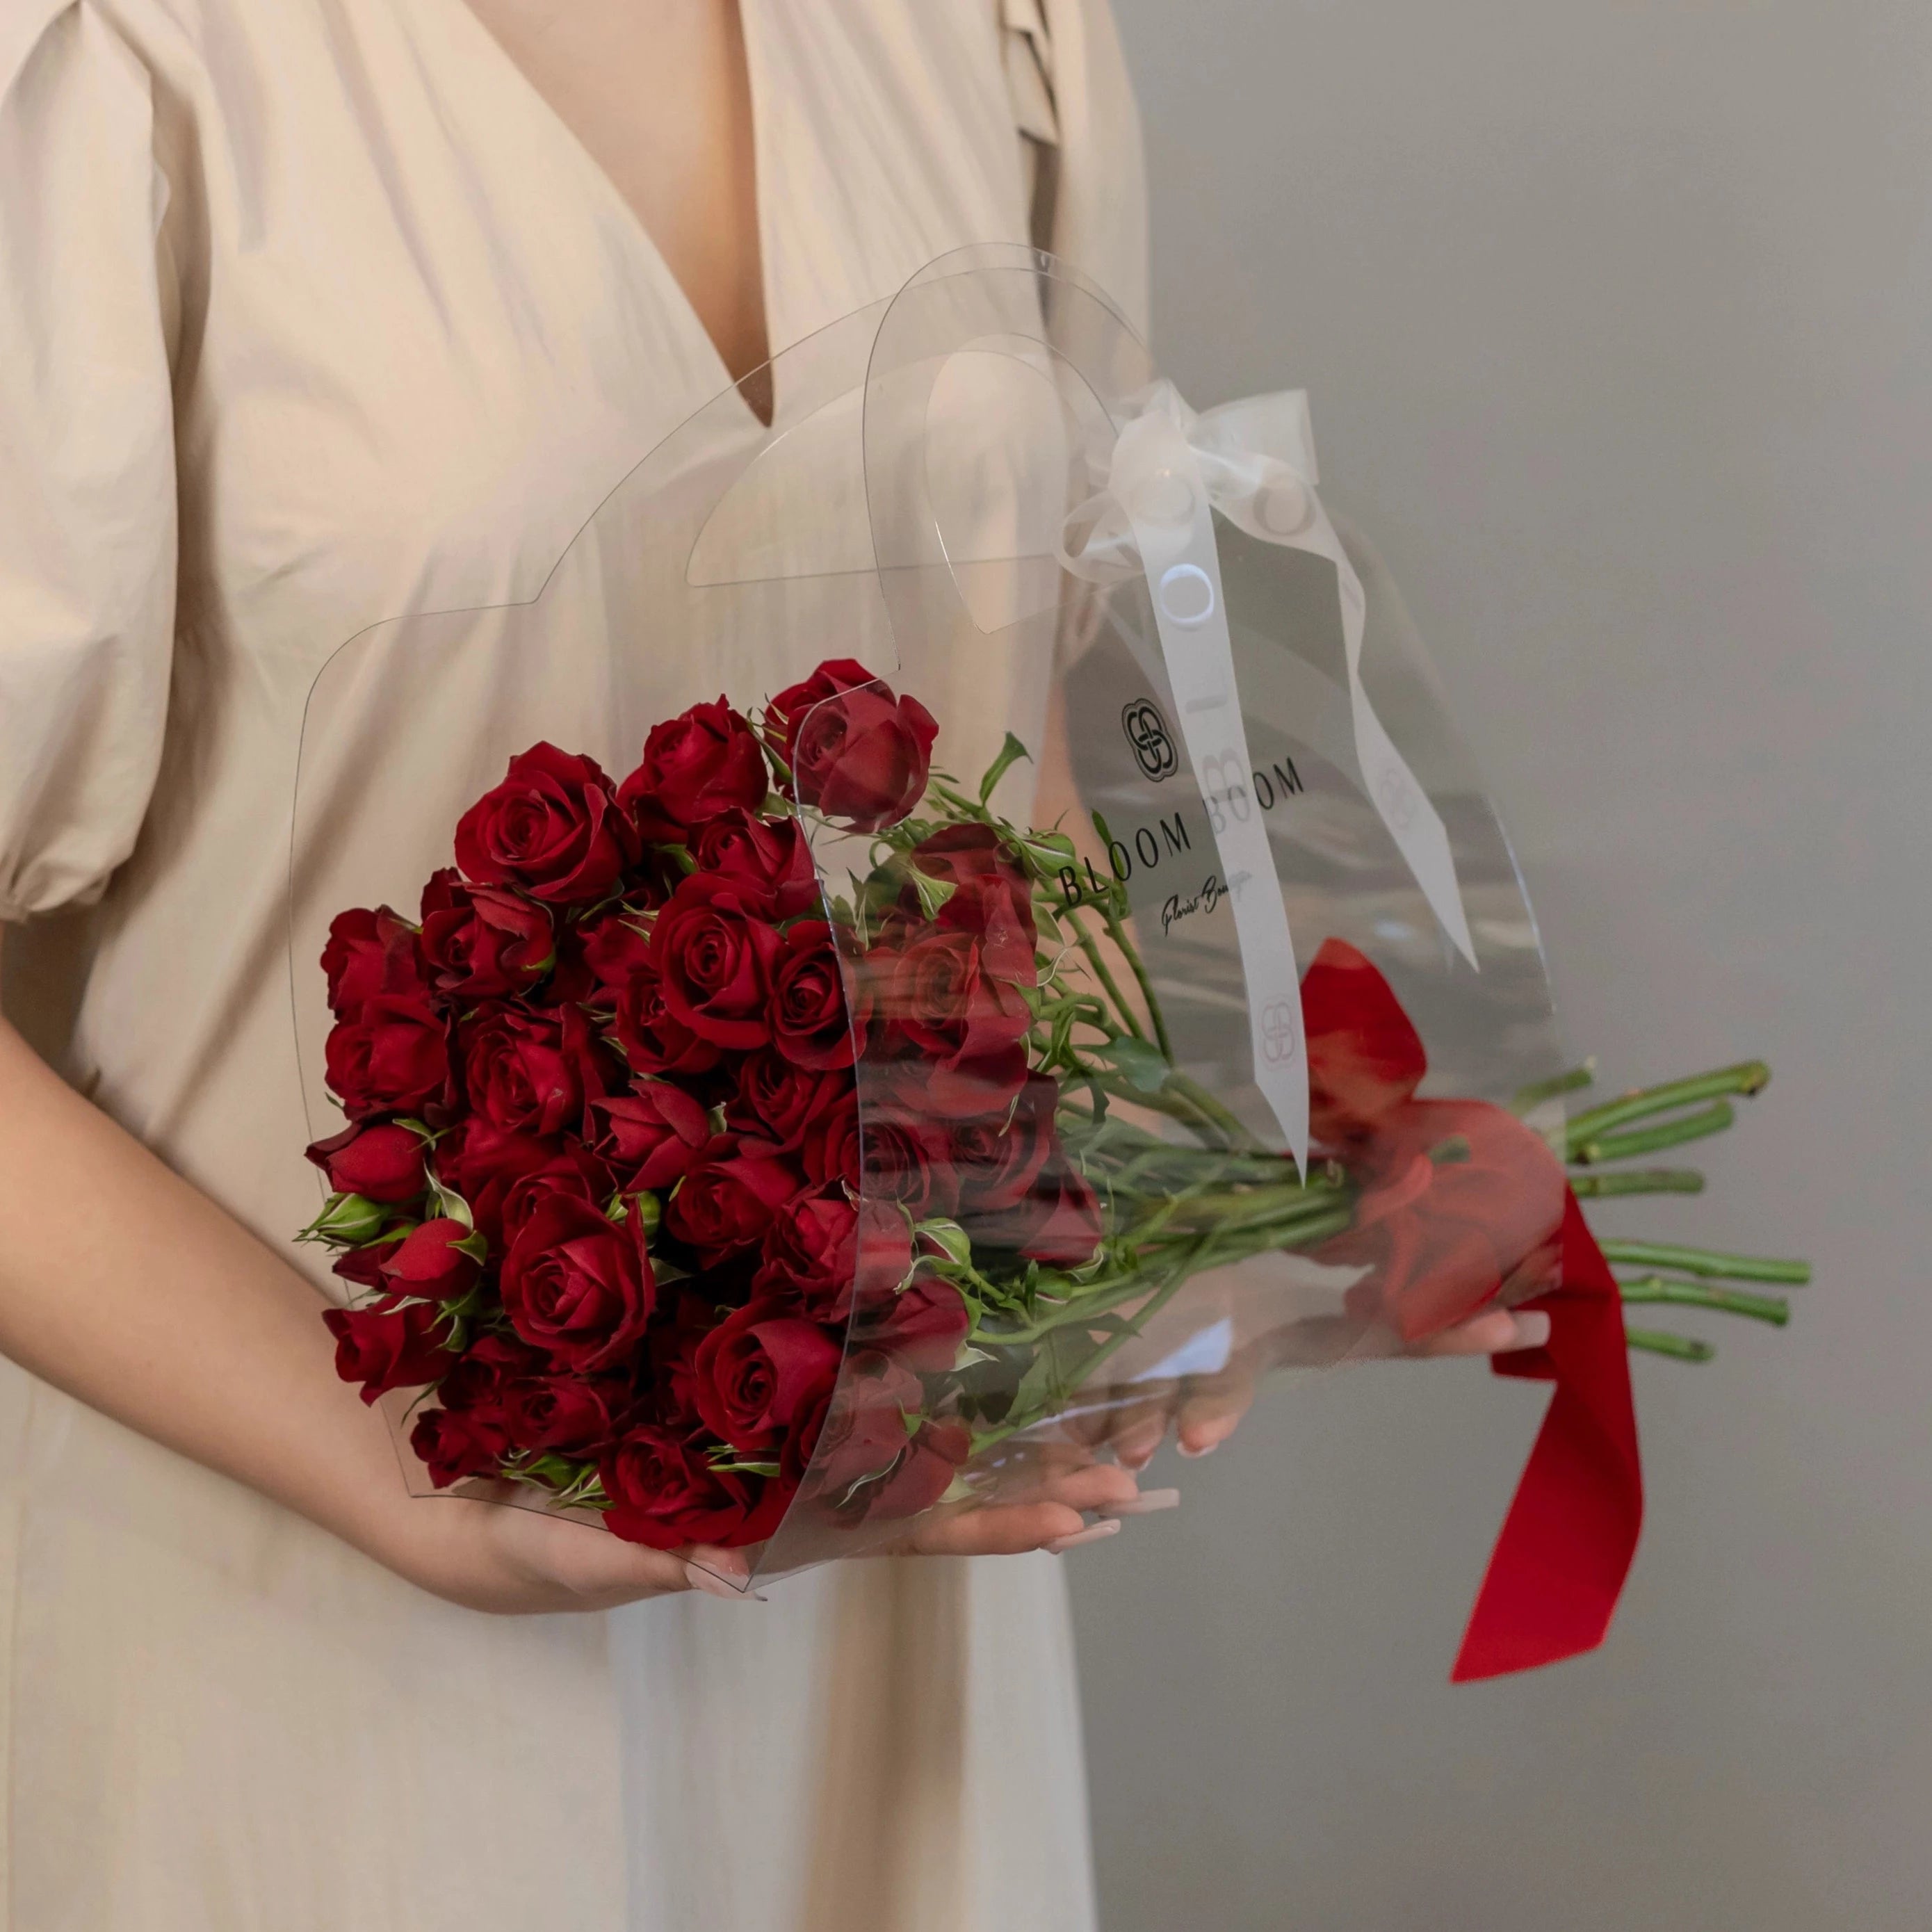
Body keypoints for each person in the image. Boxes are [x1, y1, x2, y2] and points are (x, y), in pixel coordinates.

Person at [0, 3, 1549, 1926]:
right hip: (299, 1625)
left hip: (885, 1611)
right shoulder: (114, 63)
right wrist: (416, 1478)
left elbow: (1024, 747)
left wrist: (1199, 1218)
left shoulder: (988, 31)